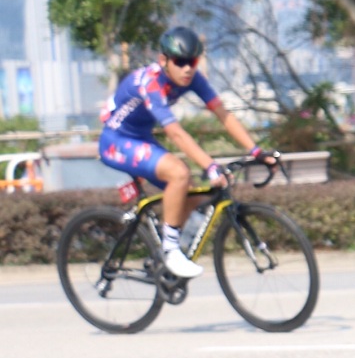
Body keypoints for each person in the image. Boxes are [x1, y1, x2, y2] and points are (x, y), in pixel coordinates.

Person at [99, 27, 278, 279]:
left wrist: (257, 150)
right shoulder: (150, 82)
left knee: (192, 193)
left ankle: (163, 250)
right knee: (179, 174)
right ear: (164, 61)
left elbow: (223, 115)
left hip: (141, 139)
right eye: (180, 62)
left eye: (192, 62)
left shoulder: (193, 79)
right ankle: (170, 250)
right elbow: (175, 133)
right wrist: (210, 166)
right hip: (116, 141)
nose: (187, 69)